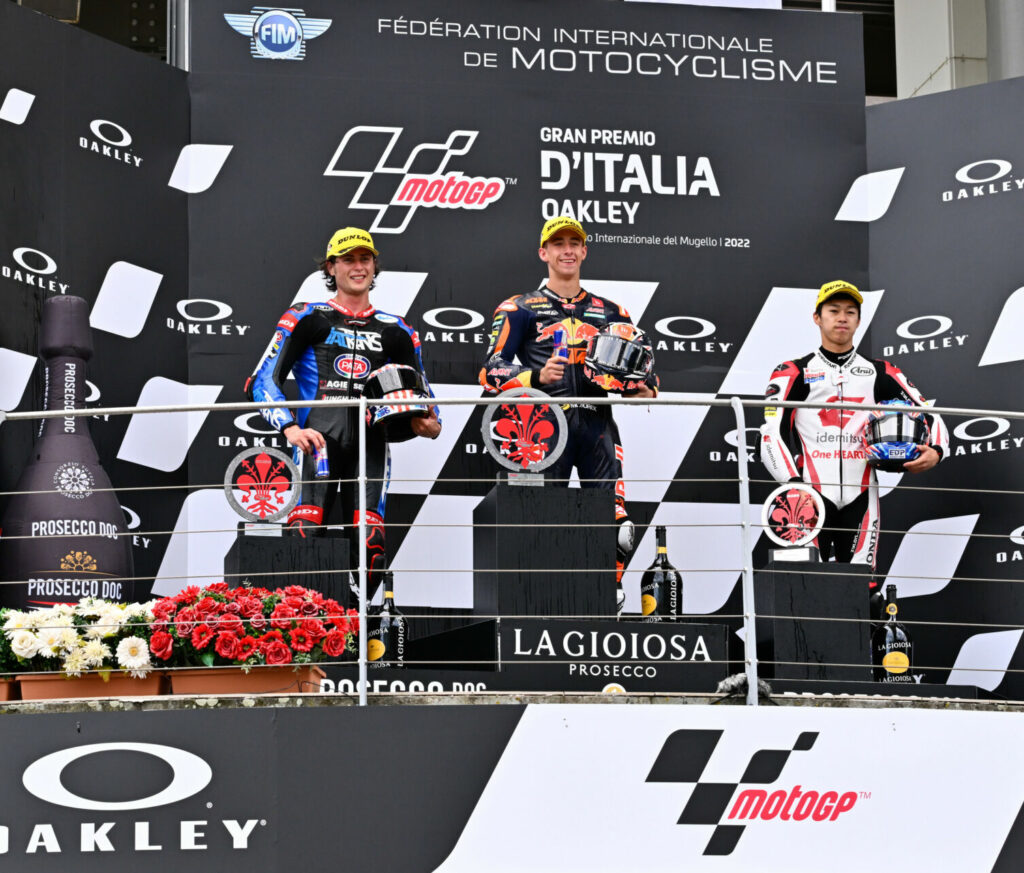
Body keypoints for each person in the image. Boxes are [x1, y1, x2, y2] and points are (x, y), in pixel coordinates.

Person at [246, 227, 441, 592]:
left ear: (374, 266)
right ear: (331, 267)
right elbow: (262, 381)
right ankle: (303, 635)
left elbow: (425, 403)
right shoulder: (306, 316)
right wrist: (290, 428)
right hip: (316, 442)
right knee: (304, 534)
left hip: (372, 446)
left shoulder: (397, 329)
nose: (358, 266)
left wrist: (426, 423)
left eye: (364, 259)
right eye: (347, 259)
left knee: (371, 545)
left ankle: (362, 633)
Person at [479, 216, 658, 613]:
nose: (567, 250)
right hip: (543, 428)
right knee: (542, 525)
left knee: (618, 527)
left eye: (574, 243)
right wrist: (534, 375)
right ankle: (544, 605)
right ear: (544, 253)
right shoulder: (519, 307)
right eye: (558, 244)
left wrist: (645, 386)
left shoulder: (612, 310)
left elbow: (644, 373)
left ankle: (607, 596)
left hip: (598, 423)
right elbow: (489, 370)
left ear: (585, 251)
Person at [760, 280, 948, 567]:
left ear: (859, 320)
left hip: (862, 495)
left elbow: (929, 414)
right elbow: (771, 434)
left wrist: (936, 450)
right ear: (817, 318)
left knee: (864, 590)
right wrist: (794, 486)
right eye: (833, 310)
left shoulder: (880, 372)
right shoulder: (793, 371)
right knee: (802, 586)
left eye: (850, 312)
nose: (842, 318)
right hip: (807, 493)